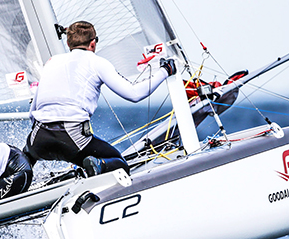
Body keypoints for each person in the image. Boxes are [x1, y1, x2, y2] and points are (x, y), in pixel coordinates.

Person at [25, 20, 177, 176]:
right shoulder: (98, 62)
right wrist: (166, 70)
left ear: (69, 44)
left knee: (26, 156)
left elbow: (33, 111)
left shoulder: (52, 61)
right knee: (119, 163)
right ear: (92, 44)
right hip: (71, 138)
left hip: (39, 137)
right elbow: (135, 94)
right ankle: (96, 166)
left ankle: (19, 175)